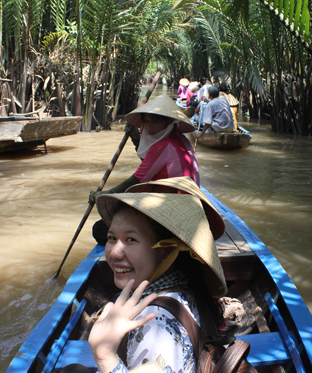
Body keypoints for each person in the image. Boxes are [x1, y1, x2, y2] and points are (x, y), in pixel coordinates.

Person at [62, 179, 227, 373]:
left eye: (130, 239)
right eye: (112, 238)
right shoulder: (185, 283)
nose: (114, 253)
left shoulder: (154, 325)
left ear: (166, 252)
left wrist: (105, 356)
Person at [89, 95, 200, 243]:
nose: (150, 126)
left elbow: (135, 180)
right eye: (146, 120)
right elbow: (152, 164)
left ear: (169, 121)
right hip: (188, 206)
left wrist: (103, 196)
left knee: (100, 229)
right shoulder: (179, 138)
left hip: (174, 212)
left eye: (156, 120)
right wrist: (135, 137)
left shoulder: (163, 145)